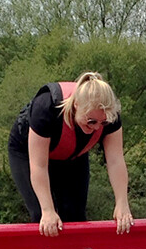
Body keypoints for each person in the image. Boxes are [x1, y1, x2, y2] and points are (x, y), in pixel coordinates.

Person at [8, 71, 133, 237]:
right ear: (76, 106)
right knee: (43, 216)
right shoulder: (46, 107)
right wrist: (48, 210)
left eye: (102, 123)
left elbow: (116, 160)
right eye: (91, 121)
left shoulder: (110, 116)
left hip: (72, 154)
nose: (97, 128)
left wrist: (122, 203)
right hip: (27, 153)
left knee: (74, 215)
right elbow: (39, 165)